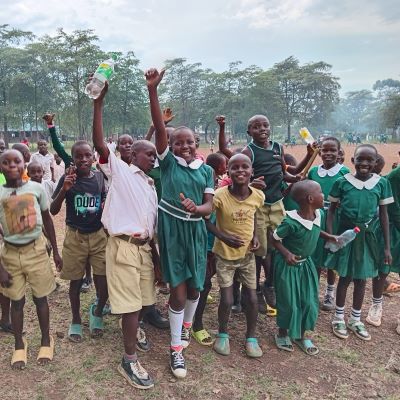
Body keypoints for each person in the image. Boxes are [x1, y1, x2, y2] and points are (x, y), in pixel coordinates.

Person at [146, 68, 214, 379]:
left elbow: (209, 206)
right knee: (178, 292)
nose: (184, 146)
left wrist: (196, 207)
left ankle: (186, 328)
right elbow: (161, 129)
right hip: (173, 230)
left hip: (196, 231)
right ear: (170, 147)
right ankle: (176, 350)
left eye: (189, 142)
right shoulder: (169, 163)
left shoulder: (206, 170)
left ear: (197, 143)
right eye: (178, 142)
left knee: (196, 290)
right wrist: (153, 91)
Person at [93, 81, 159, 389]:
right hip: (122, 247)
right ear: (134, 155)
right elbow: (100, 145)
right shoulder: (119, 171)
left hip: (143, 249)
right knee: (131, 304)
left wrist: (156, 258)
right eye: (149, 155)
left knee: (145, 299)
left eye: (155, 157)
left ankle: (134, 331)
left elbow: (150, 227)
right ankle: (129, 359)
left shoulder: (149, 185)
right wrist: (98, 104)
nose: (153, 160)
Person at [0, 149, 62, 369]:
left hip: (36, 251)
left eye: (16, 161)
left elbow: (47, 220)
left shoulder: (36, 189)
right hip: (10, 254)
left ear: (24, 163)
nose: (12, 165)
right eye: (6, 162)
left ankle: (46, 339)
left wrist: (55, 250)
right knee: (17, 302)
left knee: (40, 298)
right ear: (1, 167)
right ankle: (19, 344)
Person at [326, 144, 393, 341]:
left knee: (362, 279)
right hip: (345, 236)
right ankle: (338, 317)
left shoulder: (381, 184)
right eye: (360, 159)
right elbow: (331, 210)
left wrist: (387, 247)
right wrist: (331, 237)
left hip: (367, 236)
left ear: (376, 162)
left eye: (369, 160)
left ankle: (356, 319)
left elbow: (384, 216)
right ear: (352, 161)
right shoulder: (342, 182)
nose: (364, 163)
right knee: (345, 277)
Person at [50, 141, 109, 342]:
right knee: (75, 282)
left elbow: (104, 205)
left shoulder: (100, 178)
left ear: (93, 157)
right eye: (78, 156)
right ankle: (75, 319)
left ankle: (97, 311)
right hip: (75, 237)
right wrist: (65, 189)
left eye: (87, 155)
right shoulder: (67, 179)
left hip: (98, 236)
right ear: (72, 159)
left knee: (104, 283)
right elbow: (53, 210)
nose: (83, 159)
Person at [207, 153, 264, 357]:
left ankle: (251, 337)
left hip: (248, 256)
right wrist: (224, 237)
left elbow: (255, 215)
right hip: (224, 256)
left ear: (252, 171)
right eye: (235, 167)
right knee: (228, 300)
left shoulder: (257, 195)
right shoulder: (220, 195)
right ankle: (222, 334)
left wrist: (255, 236)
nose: (240, 170)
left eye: (245, 167)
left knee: (252, 297)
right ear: (228, 172)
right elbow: (206, 220)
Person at [273, 180, 337, 355]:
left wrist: (330, 237)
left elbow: (314, 231)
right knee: (289, 302)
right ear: (310, 198)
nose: (323, 195)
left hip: (306, 265)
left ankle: (301, 336)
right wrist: (286, 254)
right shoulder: (290, 221)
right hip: (288, 266)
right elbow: (274, 239)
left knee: (308, 301)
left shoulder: (318, 215)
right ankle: (283, 333)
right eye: (321, 192)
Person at [307, 137, 350, 311]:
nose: (328, 153)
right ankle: (313, 293)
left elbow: (348, 194)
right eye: (324, 150)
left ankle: (330, 293)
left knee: (331, 255)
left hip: (335, 218)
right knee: (315, 255)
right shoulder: (314, 172)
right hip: (316, 217)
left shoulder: (344, 172)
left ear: (339, 153)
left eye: (333, 150)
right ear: (319, 152)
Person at [192, 152, 227, 346]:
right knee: (202, 285)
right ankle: (196, 324)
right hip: (200, 245)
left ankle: (193, 319)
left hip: (213, 247)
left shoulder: (221, 188)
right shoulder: (202, 186)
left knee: (205, 284)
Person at [367, 162, 400, 329]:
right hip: (392, 228)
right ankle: (376, 305)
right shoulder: (393, 177)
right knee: (383, 267)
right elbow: (390, 208)